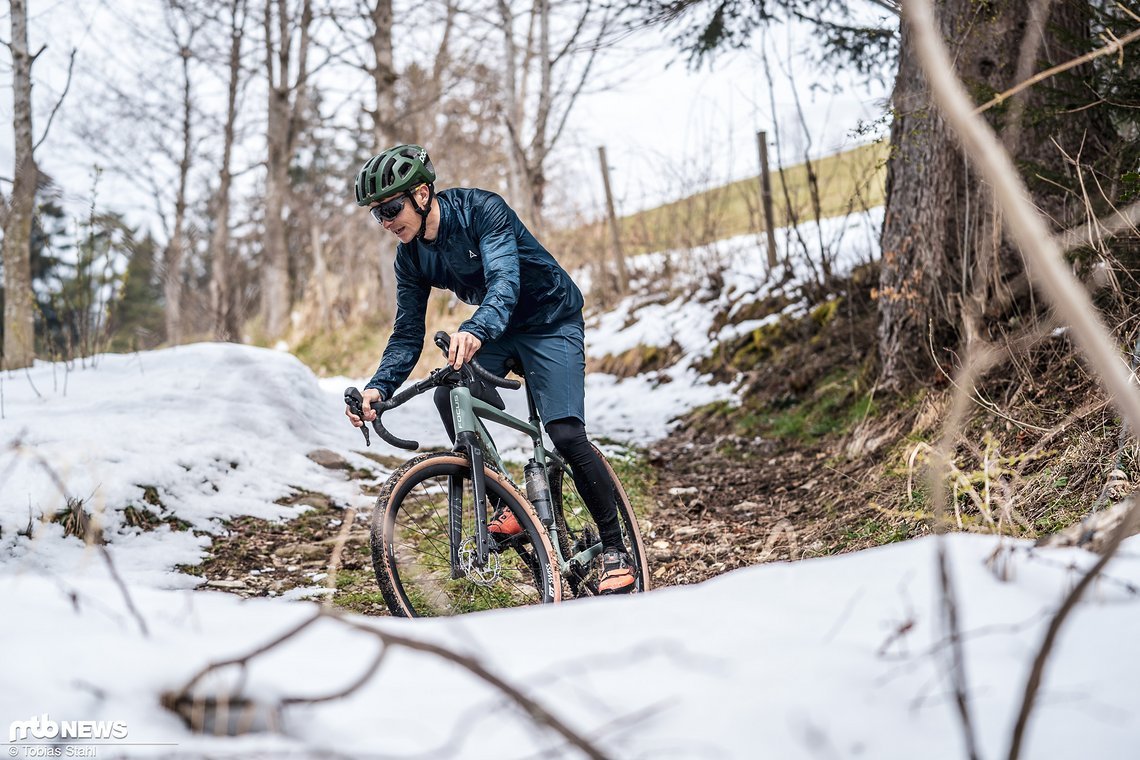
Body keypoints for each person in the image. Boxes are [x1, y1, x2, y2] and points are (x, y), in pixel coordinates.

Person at [344, 143, 636, 594]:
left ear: (422, 194)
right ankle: (504, 502)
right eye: (376, 214)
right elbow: (406, 333)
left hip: (550, 320)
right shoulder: (411, 257)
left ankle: (616, 547)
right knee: (450, 391)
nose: (385, 221)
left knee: (565, 433)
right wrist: (378, 389)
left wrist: (475, 329)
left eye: (391, 208)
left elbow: (505, 280)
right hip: (497, 329)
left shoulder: (482, 210)